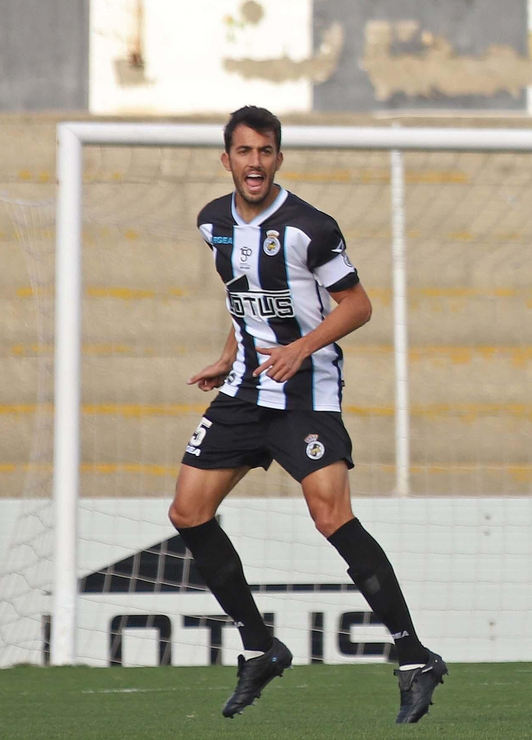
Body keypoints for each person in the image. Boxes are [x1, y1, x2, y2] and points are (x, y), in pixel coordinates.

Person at [169, 105, 447, 722]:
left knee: (331, 517)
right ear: (227, 160)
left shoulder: (309, 227)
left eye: (266, 151)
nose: (255, 163)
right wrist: (226, 357)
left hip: (306, 394)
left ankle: (413, 656)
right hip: (244, 390)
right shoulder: (212, 222)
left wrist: (300, 348)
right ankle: (259, 646)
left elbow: (359, 305)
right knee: (188, 512)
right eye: (244, 152)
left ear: (278, 158)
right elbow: (242, 302)